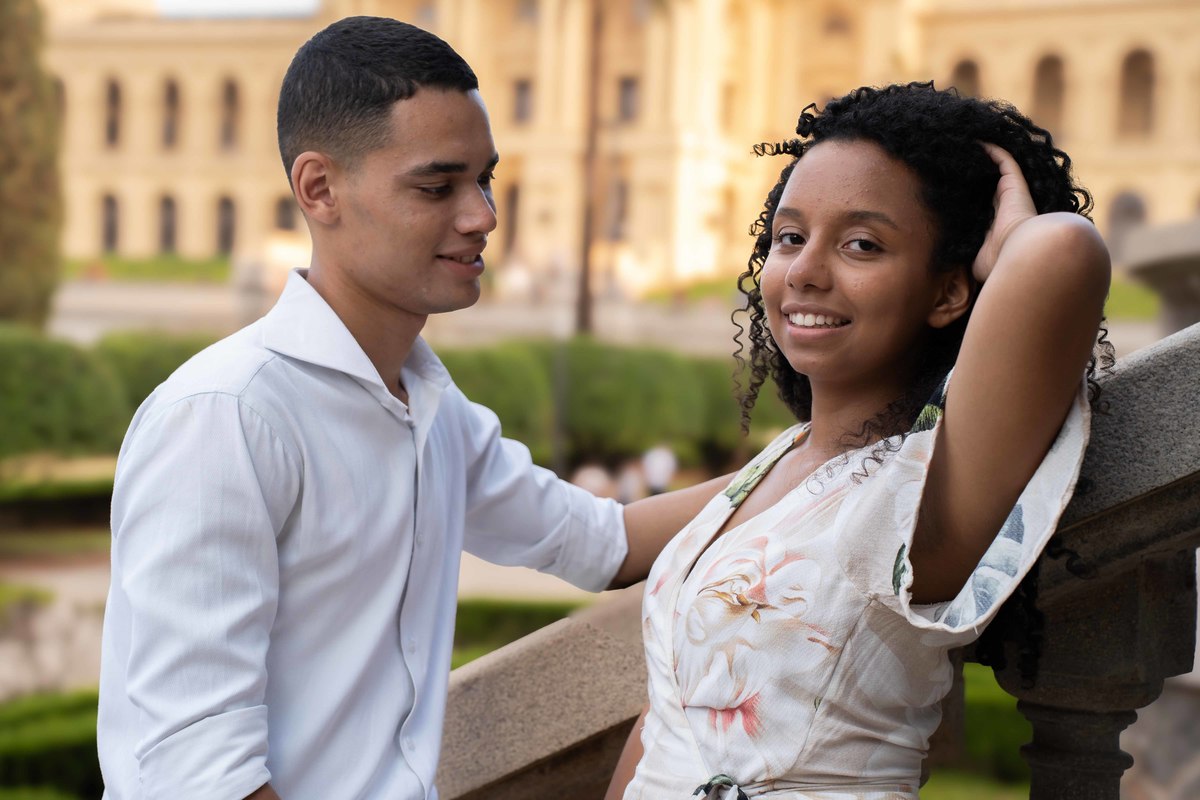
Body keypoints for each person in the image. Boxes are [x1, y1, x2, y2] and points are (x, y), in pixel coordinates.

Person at [96, 16, 722, 800]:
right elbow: (199, 778)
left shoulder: (430, 407)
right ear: (319, 189)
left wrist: (820, 457)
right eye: (437, 187)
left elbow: (602, 543)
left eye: (484, 180)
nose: (483, 215)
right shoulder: (226, 418)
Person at [606, 82, 1113, 799]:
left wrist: (1012, 241)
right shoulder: (778, 466)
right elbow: (664, 714)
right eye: (790, 237)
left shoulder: (921, 492)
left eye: (861, 245)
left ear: (949, 291)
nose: (805, 272)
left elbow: (1063, 250)